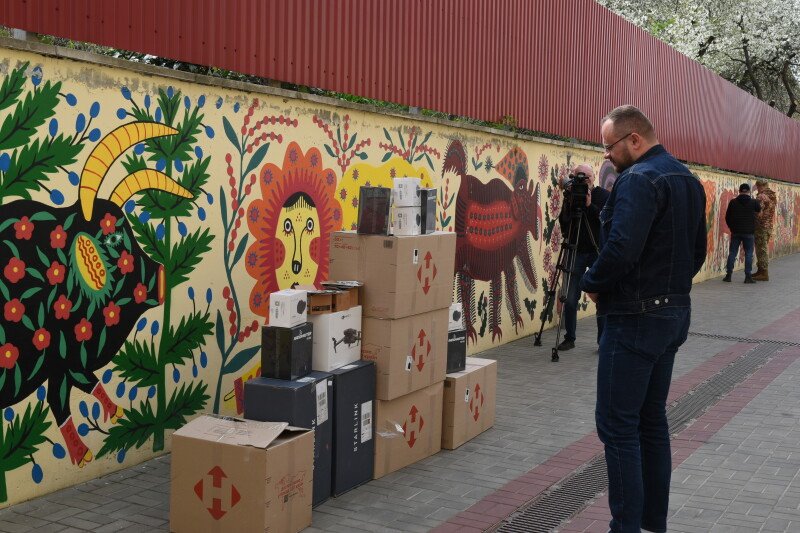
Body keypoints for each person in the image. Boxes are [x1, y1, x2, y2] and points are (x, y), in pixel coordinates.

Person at [580, 105, 706, 533]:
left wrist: (592, 281)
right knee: (651, 421)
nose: (606, 155)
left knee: (617, 427)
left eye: (609, 146)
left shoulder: (637, 179)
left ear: (634, 139)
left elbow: (621, 248)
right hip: (672, 315)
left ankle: (626, 527)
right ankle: (652, 523)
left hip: (634, 319)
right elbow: (697, 252)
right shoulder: (687, 179)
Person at [556, 164, 609, 350]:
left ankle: (603, 341)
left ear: (593, 177)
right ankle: (569, 338)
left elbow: (605, 220)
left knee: (601, 297)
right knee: (570, 297)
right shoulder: (571, 195)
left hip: (597, 250)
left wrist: (589, 205)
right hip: (575, 250)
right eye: (579, 176)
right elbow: (564, 223)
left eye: (587, 176)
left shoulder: (603, 195)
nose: (583, 180)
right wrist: (569, 202)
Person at [723, 183, 760, 284]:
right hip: (749, 232)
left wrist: (731, 227)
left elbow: (727, 217)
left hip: (736, 232)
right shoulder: (754, 202)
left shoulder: (733, 202)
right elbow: (759, 210)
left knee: (733, 253)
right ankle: (748, 276)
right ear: (749, 191)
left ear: (739, 191)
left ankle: (728, 275)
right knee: (749, 253)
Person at [752, 179, 777, 281]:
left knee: (761, 249)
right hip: (768, 226)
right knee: (763, 248)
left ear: (760, 186)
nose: (757, 188)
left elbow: (758, 212)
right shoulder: (772, 196)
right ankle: (760, 271)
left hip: (761, 226)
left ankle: (763, 273)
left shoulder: (761, 196)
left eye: (757, 186)